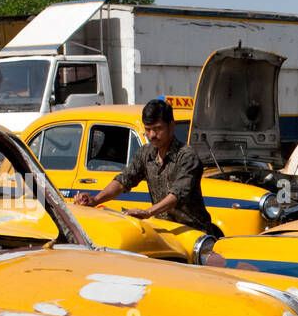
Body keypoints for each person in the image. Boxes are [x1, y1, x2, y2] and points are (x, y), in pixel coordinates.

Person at [74, 98, 218, 236]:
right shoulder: (146, 153)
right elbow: (123, 180)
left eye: (158, 129)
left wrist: (148, 212)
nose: (152, 135)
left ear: (171, 126)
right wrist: (96, 199)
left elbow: (177, 195)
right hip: (165, 232)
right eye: (148, 130)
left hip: (193, 233)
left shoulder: (187, 156)